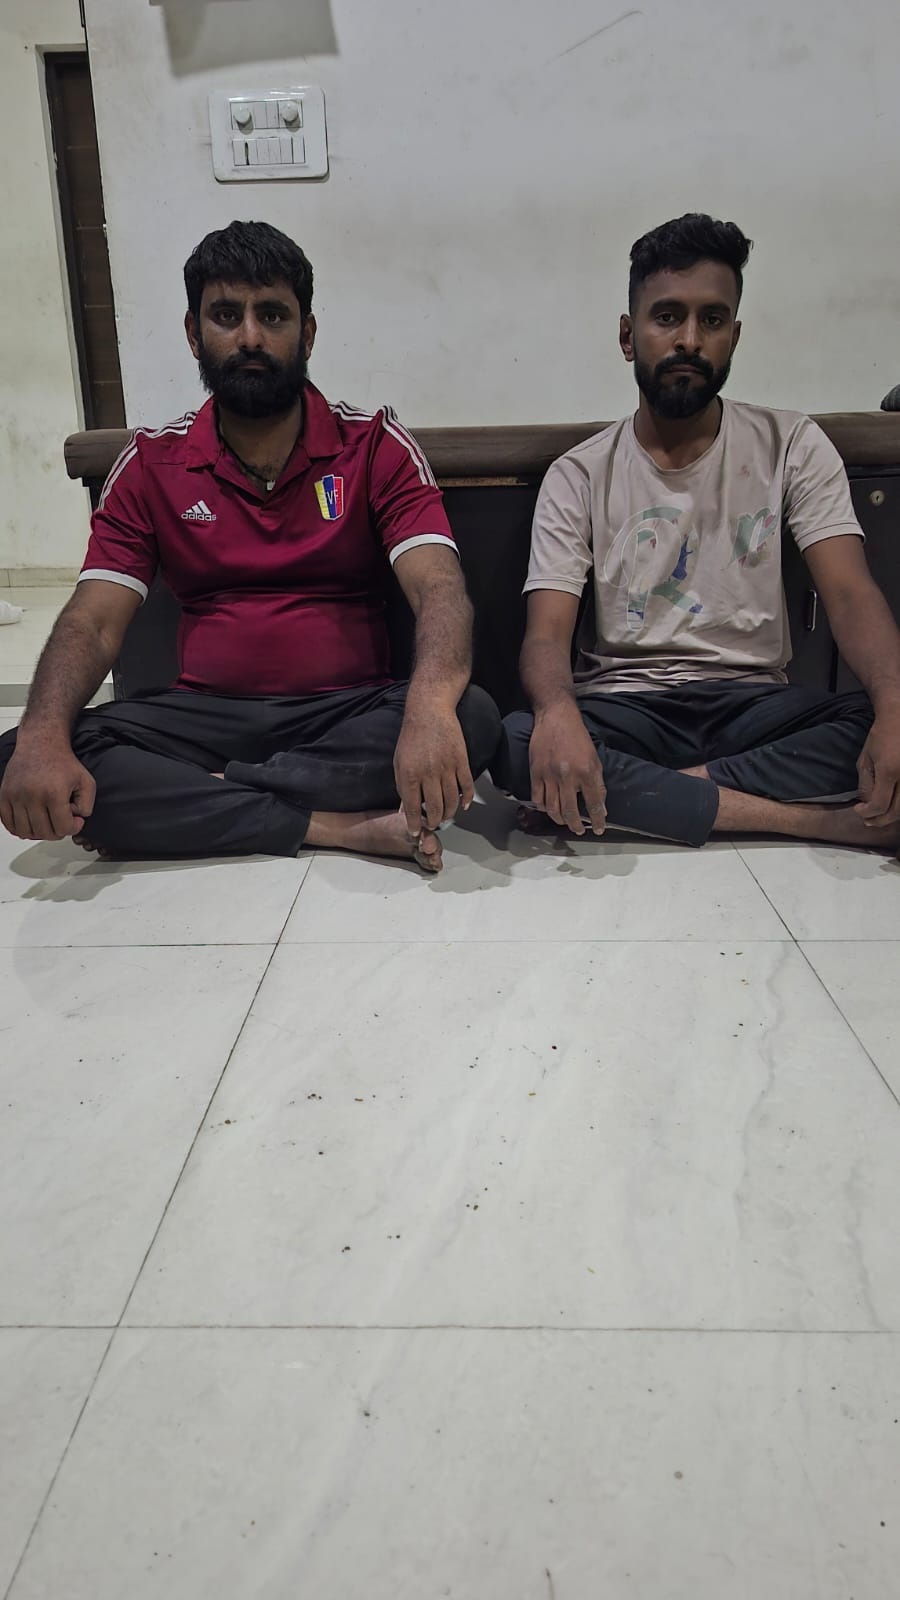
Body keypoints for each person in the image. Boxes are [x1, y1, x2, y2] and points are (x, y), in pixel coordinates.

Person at [0, 221, 500, 873]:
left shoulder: (375, 445)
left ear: (307, 332)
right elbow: (92, 622)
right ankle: (331, 827)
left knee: (472, 717)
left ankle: (204, 798)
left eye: (272, 315)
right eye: (226, 316)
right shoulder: (150, 463)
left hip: (345, 713)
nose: (251, 338)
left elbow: (439, 588)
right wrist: (42, 736)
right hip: (203, 718)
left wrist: (429, 709)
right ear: (193, 333)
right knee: (23, 752)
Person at [493, 213, 900, 851]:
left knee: (883, 718)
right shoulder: (579, 474)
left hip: (752, 706)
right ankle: (812, 821)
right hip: (627, 708)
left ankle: (631, 798)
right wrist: (558, 714)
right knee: (516, 742)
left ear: (734, 335)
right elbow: (546, 635)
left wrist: (896, 711)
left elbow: (850, 594)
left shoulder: (790, 443)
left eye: (712, 320)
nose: (689, 339)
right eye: (667, 317)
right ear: (628, 336)